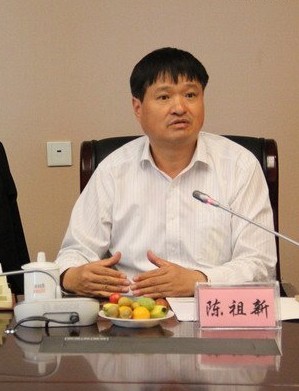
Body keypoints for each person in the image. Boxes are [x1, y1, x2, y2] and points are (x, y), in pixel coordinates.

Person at [56, 47, 276, 297]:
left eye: (190, 95)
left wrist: (199, 281)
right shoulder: (112, 170)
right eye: (164, 97)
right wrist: (71, 276)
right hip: (132, 310)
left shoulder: (240, 166)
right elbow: (75, 253)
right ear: (138, 107)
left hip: (212, 308)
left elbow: (260, 263)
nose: (180, 108)